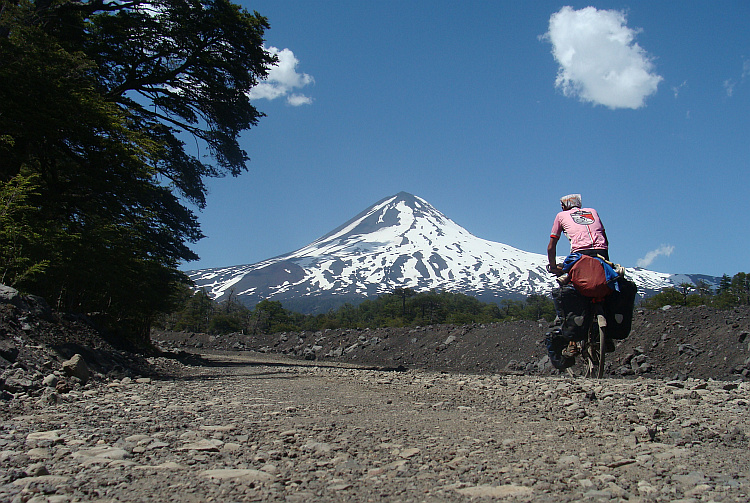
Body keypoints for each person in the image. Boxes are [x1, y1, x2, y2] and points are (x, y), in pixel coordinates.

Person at [547, 193, 608, 275]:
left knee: (567, 279)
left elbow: (551, 246)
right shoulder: (592, 211)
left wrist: (553, 267)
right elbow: (605, 239)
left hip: (580, 253)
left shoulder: (560, 215)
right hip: (602, 253)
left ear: (564, 206)